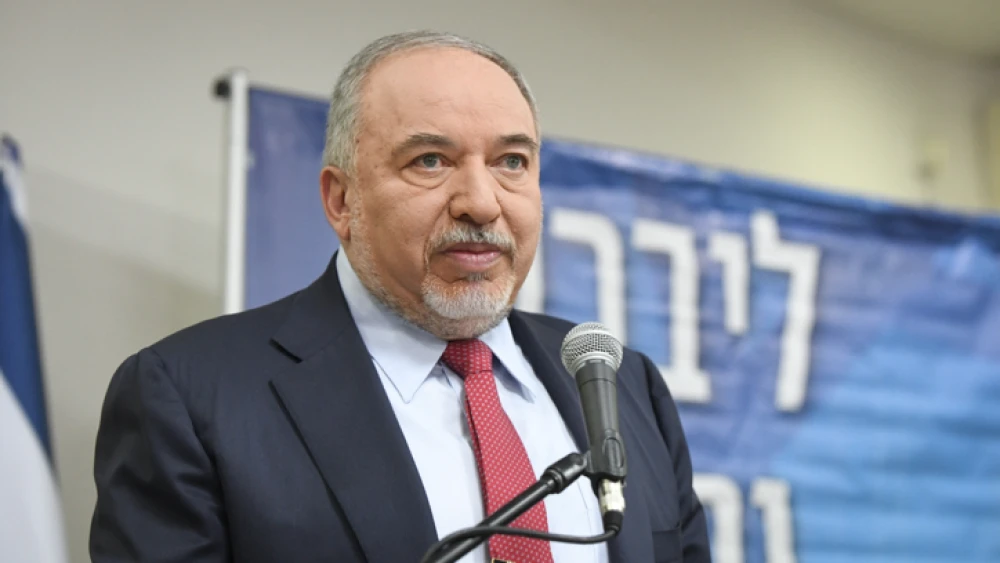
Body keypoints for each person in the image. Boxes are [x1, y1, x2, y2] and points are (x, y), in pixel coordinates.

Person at [89, 30, 711, 563]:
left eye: (512, 161)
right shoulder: (191, 397)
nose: (482, 201)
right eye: (432, 160)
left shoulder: (626, 386)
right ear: (342, 200)